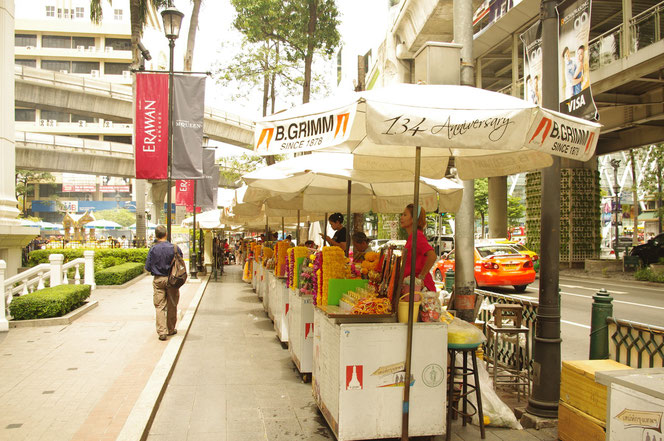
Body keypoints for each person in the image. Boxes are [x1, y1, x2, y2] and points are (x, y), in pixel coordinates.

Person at [144, 225, 183, 341]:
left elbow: (148, 267)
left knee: (159, 306)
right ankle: (171, 329)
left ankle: (162, 332)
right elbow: (181, 263)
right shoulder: (175, 248)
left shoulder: (153, 249)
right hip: (172, 280)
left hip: (158, 279)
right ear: (166, 234)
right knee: (172, 304)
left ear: (156, 235)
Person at [400, 204, 437, 292]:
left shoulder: (417, 236)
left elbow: (432, 256)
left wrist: (421, 278)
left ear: (413, 219)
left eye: (405, 215)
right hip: (412, 287)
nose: (401, 217)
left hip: (421, 290)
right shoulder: (412, 237)